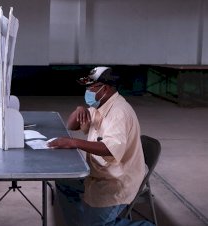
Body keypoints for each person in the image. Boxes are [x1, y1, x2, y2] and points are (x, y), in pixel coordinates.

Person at [47, 66, 154, 226]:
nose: (88, 91)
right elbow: (71, 125)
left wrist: (73, 142)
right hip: (99, 174)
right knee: (64, 182)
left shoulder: (119, 112)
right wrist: (79, 110)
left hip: (116, 181)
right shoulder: (100, 106)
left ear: (107, 88)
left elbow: (109, 148)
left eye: (92, 87)